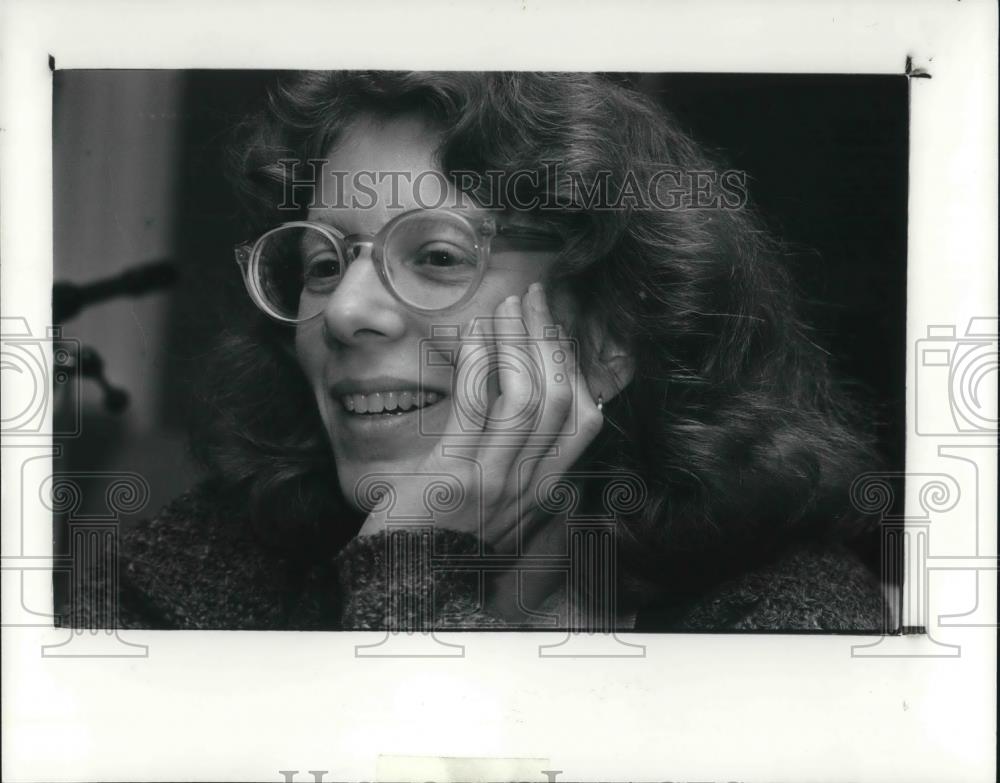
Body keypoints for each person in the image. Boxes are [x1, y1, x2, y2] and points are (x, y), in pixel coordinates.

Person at [71, 71, 885, 632]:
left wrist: (412, 577)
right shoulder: (195, 574)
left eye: (436, 257)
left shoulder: (783, 621)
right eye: (323, 263)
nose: (345, 311)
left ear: (610, 335)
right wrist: (416, 554)